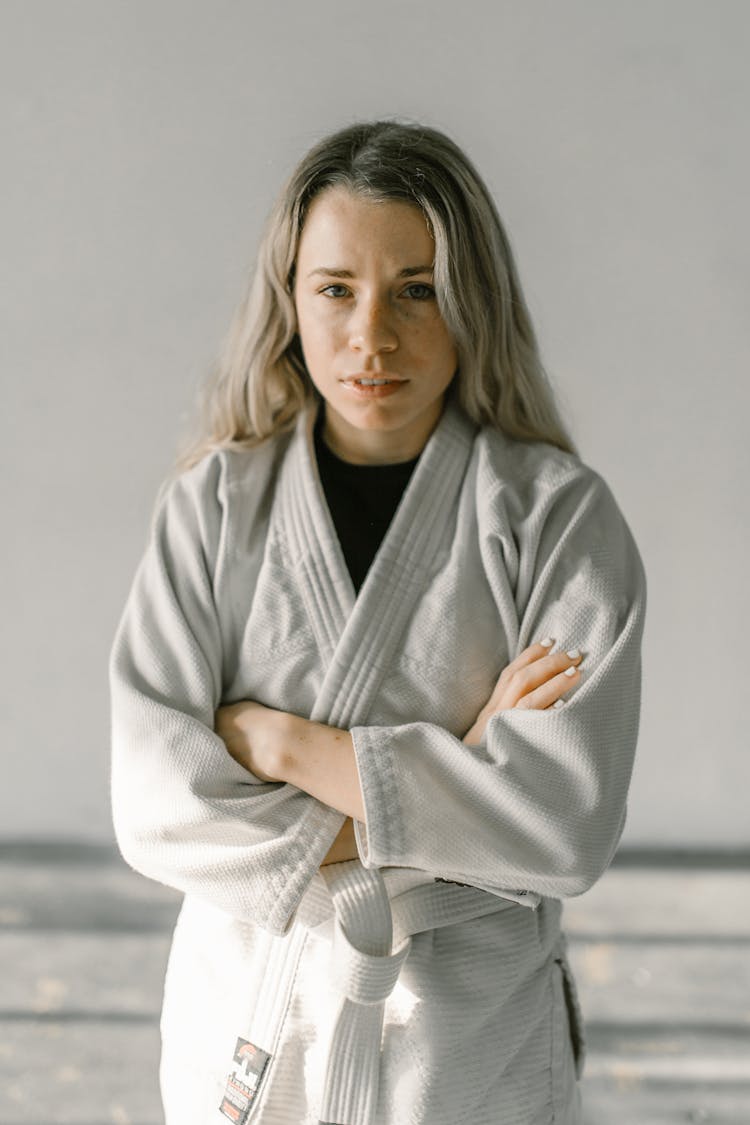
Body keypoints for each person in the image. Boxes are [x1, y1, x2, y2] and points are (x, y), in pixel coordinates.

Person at [109, 118, 646, 1125]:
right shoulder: (213, 508)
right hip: (255, 1007)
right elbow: (157, 807)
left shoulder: (559, 518)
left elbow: (565, 825)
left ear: (470, 301)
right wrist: (463, 766)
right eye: (336, 289)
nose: (372, 338)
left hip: (466, 1036)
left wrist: (280, 742)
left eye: (416, 290)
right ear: (290, 299)